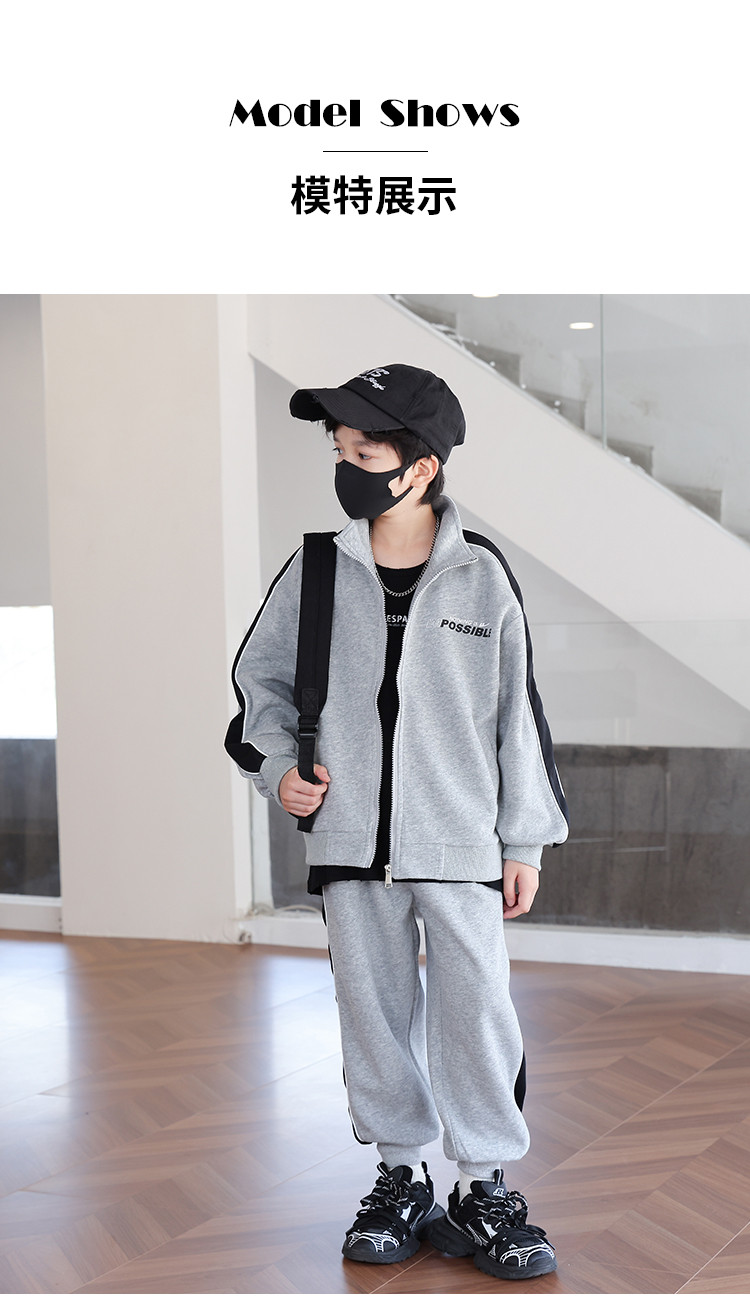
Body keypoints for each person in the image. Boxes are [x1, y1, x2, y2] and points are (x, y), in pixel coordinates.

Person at [228, 364, 569, 1282]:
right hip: (349, 843)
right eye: (339, 450)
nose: (347, 467)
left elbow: (519, 718)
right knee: (372, 1013)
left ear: (421, 467)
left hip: (460, 842)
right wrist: (280, 771)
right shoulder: (314, 570)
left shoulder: (481, 574)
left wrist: (524, 840)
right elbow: (256, 689)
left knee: (477, 1014)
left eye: (365, 452)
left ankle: (484, 1186)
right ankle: (399, 1176)